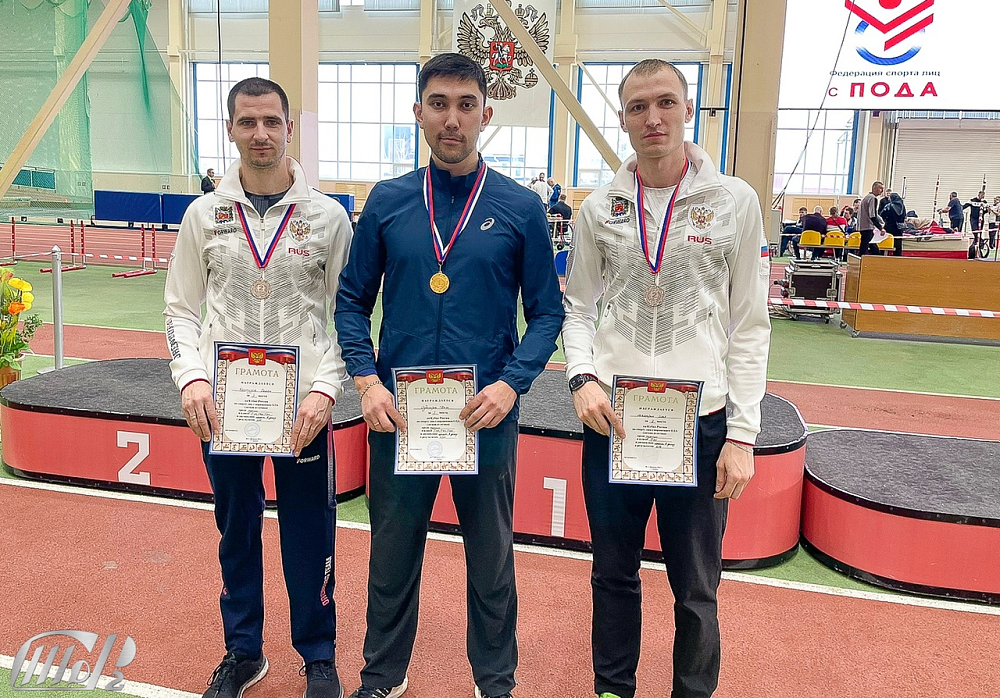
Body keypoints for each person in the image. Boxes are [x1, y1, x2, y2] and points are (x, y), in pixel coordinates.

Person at [335, 53, 564, 698]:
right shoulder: (387, 202)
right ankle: (382, 676)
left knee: (491, 558)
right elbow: (351, 302)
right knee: (391, 554)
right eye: (439, 104)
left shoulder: (520, 207)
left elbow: (547, 312)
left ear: (486, 114)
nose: (452, 119)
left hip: (484, 415)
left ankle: (495, 681)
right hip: (398, 415)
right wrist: (367, 382)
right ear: (418, 113)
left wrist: (512, 383)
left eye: (466, 105)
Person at [561, 59, 770, 698]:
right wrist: (581, 377)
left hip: (701, 427)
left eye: (666, 102)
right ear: (623, 120)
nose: (653, 118)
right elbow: (578, 308)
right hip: (615, 422)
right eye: (637, 107)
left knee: (697, 586)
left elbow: (750, 326)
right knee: (613, 575)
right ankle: (612, 689)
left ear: (687, 109)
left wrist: (742, 435)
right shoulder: (600, 209)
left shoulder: (735, 202)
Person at [164, 78, 354, 698]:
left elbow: (345, 317)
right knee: (237, 530)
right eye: (248, 122)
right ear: (230, 129)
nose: (261, 134)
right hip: (224, 409)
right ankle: (243, 652)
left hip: (303, 411)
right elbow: (180, 308)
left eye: (272, 121)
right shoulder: (203, 216)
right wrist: (192, 378)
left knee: (309, 531)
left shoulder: (327, 218)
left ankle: (317, 655)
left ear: (289, 128)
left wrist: (325, 391)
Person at [857, 181, 884, 256]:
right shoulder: (873, 198)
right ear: (874, 188)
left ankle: (874, 257)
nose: (882, 190)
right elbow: (873, 215)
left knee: (867, 245)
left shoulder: (866, 197)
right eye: (880, 188)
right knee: (866, 247)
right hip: (867, 226)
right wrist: (880, 228)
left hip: (862, 226)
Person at [880, 192, 907, 257]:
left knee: (887, 241)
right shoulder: (902, 206)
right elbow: (904, 216)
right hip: (899, 227)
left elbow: (882, 215)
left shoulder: (889, 206)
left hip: (889, 226)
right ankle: (897, 256)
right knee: (898, 243)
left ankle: (884, 255)